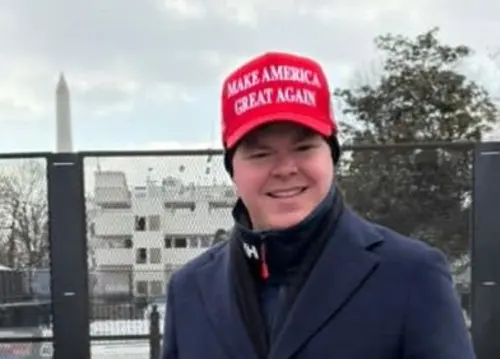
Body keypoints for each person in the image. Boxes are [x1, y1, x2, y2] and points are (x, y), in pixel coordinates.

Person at [161, 51, 474, 359]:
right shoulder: (189, 290)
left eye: (304, 147)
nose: (285, 169)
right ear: (233, 171)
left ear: (332, 157)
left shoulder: (412, 274)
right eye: (260, 154)